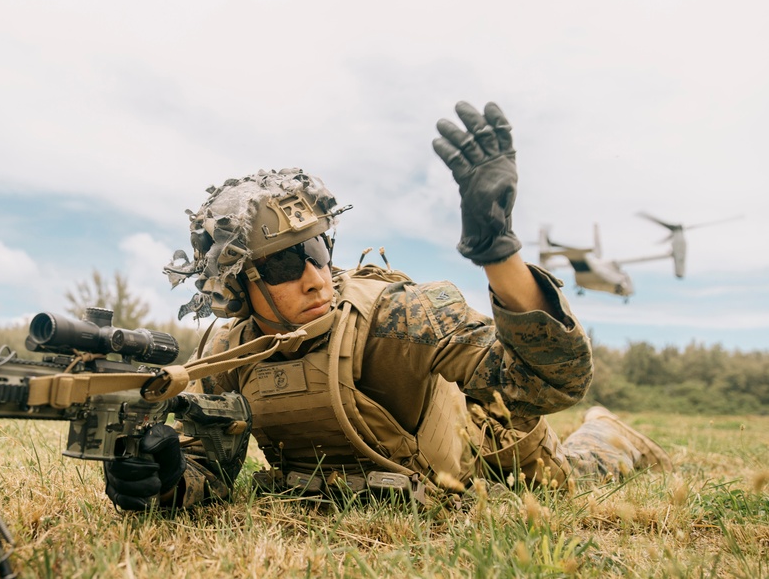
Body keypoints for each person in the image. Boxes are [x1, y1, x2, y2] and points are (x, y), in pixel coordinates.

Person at [103, 101, 672, 512]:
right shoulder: (230, 353)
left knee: (573, 473)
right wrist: (162, 478)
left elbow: (550, 382)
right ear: (235, 284)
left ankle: (612, 432)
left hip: (490, 448)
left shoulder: (398, 316)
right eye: (283, 264)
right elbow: (210, 469)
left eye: (319, 250)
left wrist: (500, 254)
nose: (315, 276)